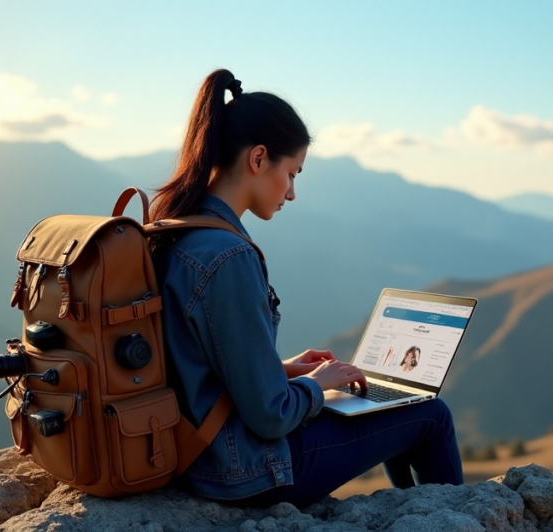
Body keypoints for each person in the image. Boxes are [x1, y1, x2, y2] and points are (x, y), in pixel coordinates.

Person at [150, 69, 463, 509]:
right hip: (242, 469)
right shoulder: (227, 255)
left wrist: (283, 369)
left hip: (196, 454)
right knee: (431, 415)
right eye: (292, 173)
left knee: (393, 414)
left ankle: (416, 513)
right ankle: (452, 518)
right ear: (258, 159)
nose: (292, 193)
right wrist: (318, 383)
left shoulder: (174, 228)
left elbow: (197, 362)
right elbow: (269, 414)